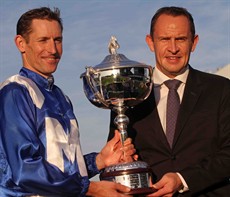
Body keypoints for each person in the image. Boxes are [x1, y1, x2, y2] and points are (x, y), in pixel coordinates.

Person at [0, 7, 137, 197]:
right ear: (21, 43)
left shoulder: (61, 97)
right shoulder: (15, 91)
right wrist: (91, 188)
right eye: (43, 40)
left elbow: (63, 169)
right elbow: (25, 170)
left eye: (58, 40)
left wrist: (99, 161)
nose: (53, 50)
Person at [108, 6, 230, 197]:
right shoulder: (129, 96)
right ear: (151, 42)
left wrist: (182, 179)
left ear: (194, 42)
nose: (173, 48)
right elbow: (114, 155)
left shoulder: (221, 89)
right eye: (165, 39)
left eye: (180, 39)